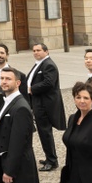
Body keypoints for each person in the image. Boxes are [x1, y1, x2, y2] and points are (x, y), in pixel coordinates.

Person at [27, 42, 65, 172]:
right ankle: (49, 157)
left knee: (45, 133)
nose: (36, 52)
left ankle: (52, 161)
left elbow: (49, 83)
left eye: (38, 50)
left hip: (45, 105)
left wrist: (31, 89)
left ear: (46, 51)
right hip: (39, 103)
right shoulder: (40, 64)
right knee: (43, 133)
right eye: (34, 50)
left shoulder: (48, 65)